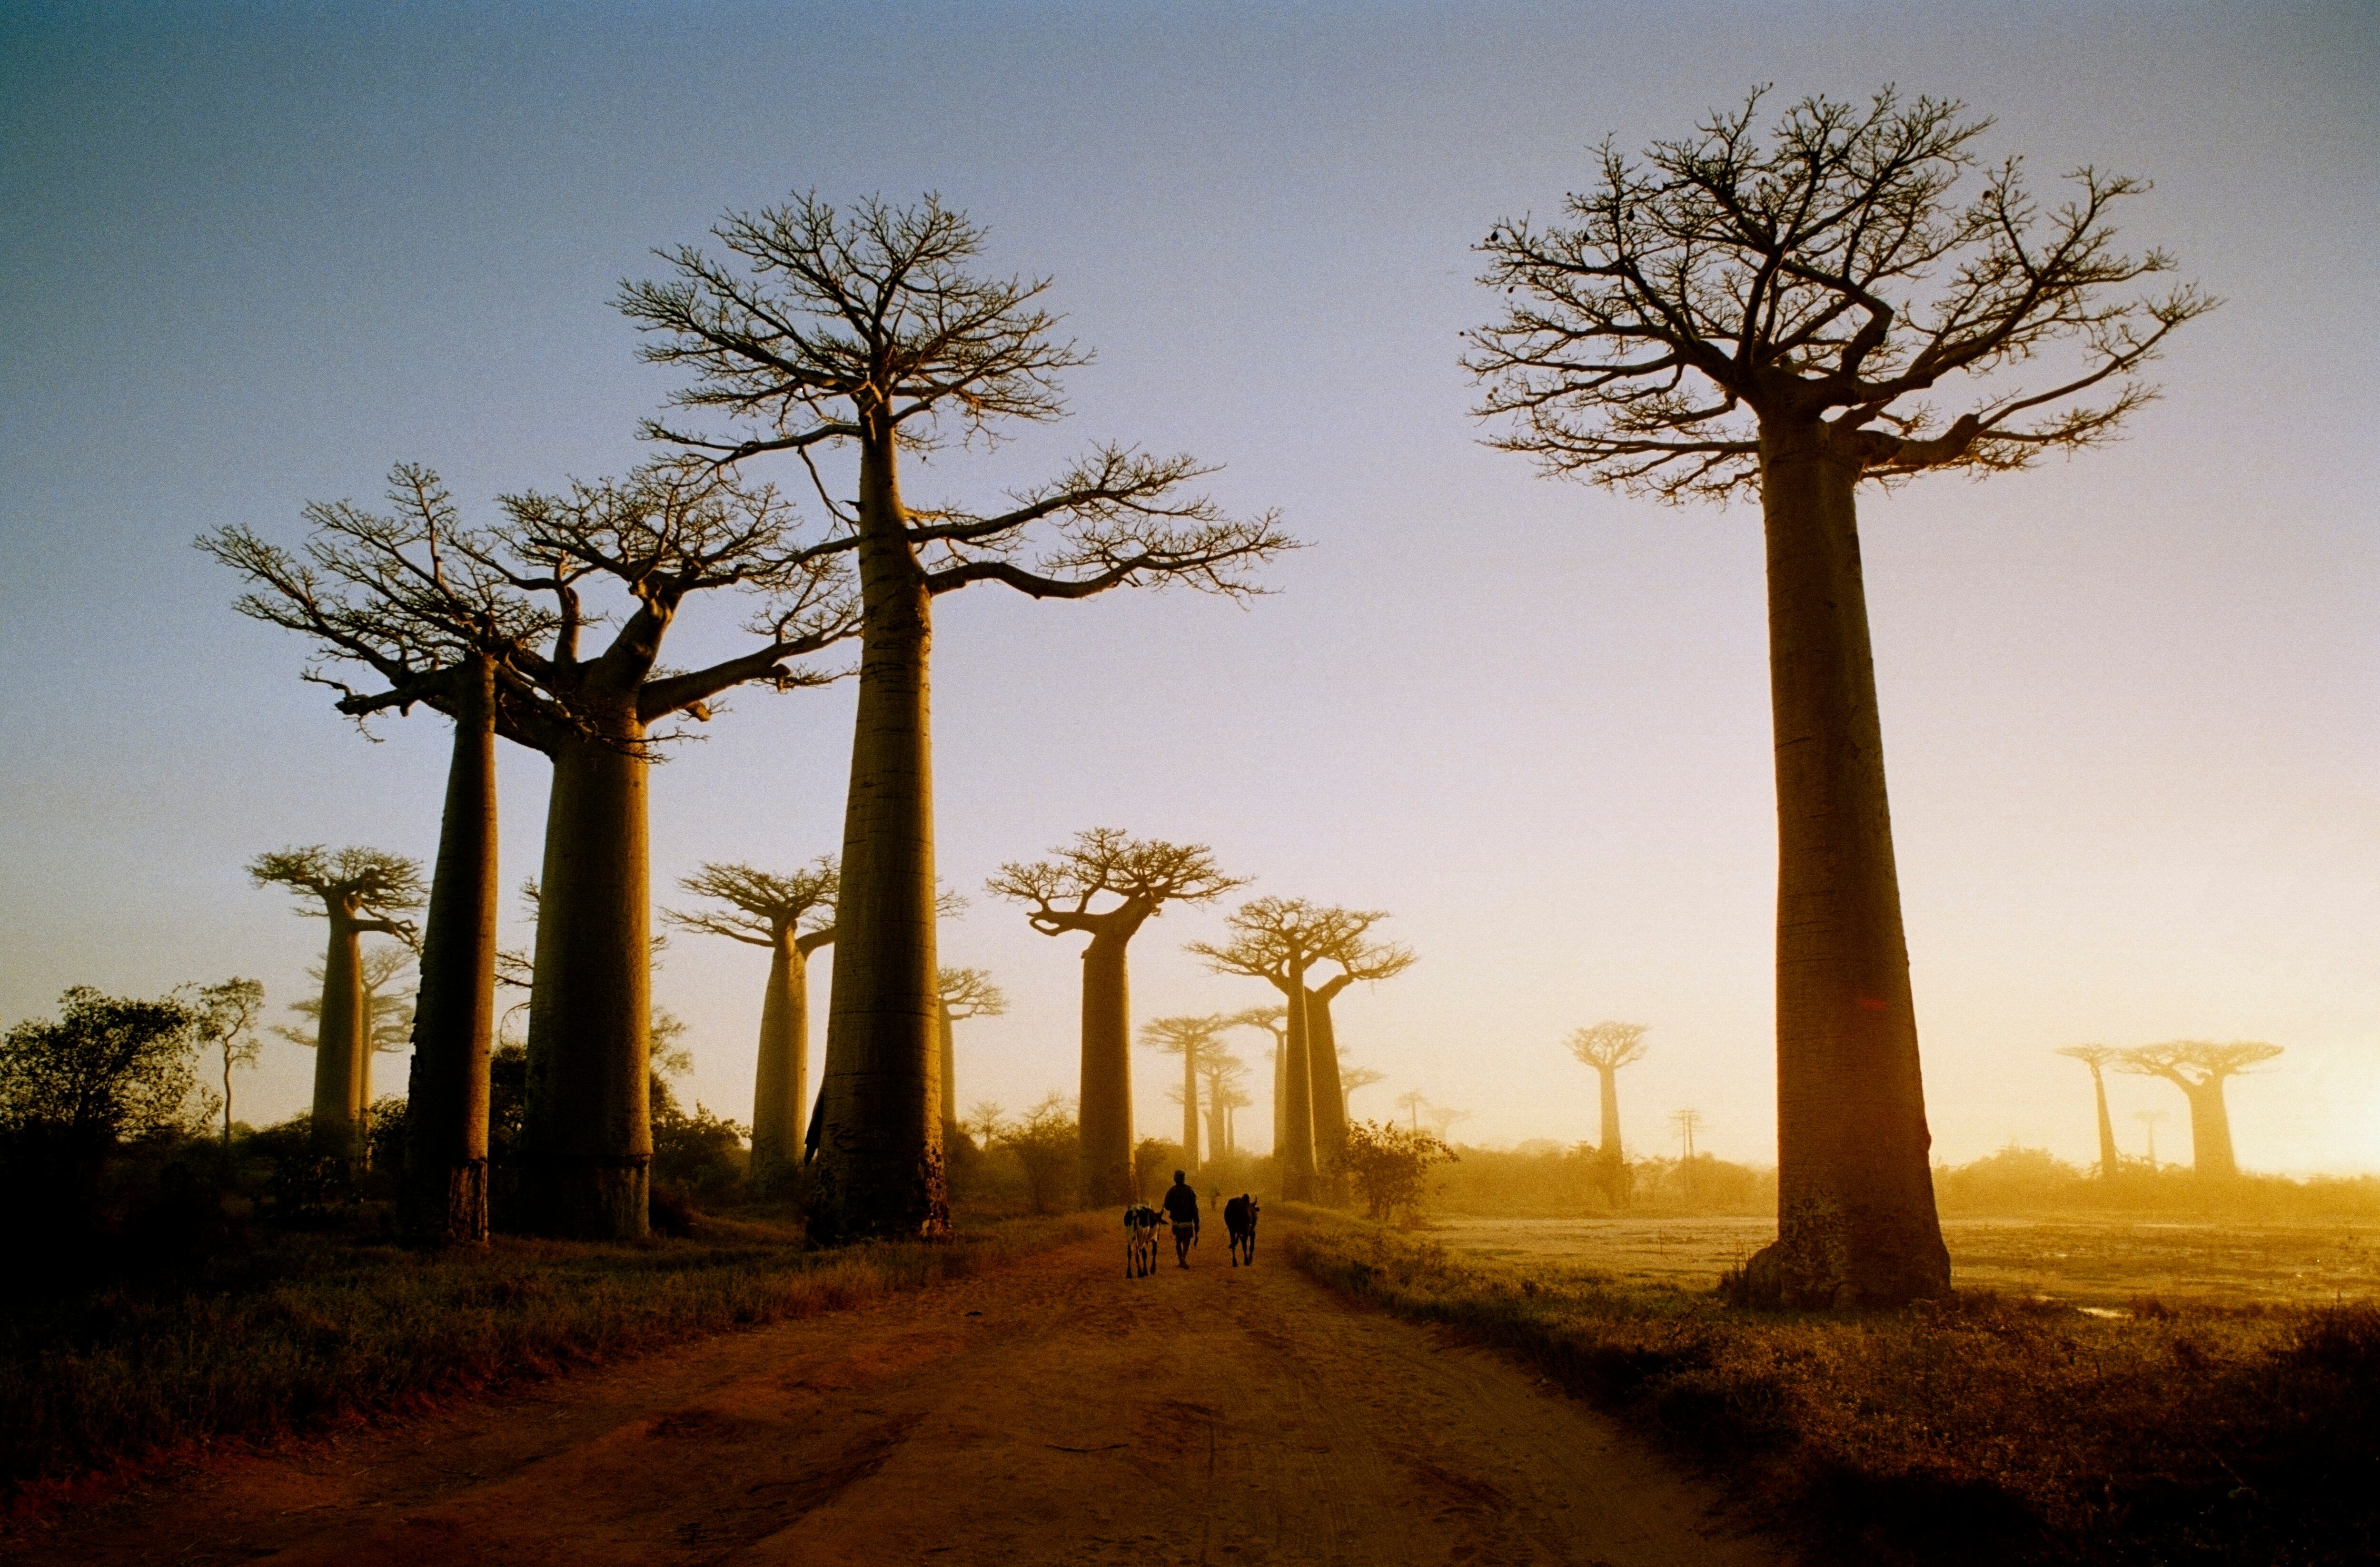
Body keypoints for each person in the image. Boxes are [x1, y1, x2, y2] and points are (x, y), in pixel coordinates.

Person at [1160, 1168, 1200, 1268]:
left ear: (1175, 1179)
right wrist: (1197, 1223)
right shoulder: (1190, 1191)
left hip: (1176, 1221)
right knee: (1187, 1241)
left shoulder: (1172, 1191)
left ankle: (1181, 1260)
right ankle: (1183, 1258)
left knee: (1178, 1241)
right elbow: (1195, 1209)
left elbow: (1167, 1206)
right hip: (1187, 1221)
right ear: (1184, 1179)